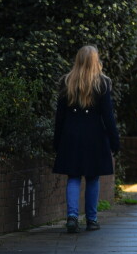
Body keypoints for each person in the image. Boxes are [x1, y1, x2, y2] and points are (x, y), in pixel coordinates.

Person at [53, 45, 120, 233]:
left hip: (70, 135)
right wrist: (115, 142)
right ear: (95, 60)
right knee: (92, 177)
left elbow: (60, 116)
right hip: (94, 136)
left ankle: (72, 217)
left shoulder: (67, 82)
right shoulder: (102, 83)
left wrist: (57, 141)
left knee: (73, 176)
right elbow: (108, 116)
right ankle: (91, 219)